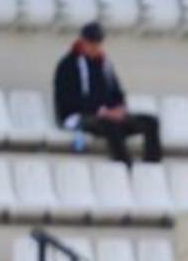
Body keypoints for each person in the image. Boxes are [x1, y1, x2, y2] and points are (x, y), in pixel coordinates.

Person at [52, 22, 162, 164]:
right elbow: (68, 101)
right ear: (82, 41)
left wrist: (120, 108)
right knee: (110, 124)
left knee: (150, 122)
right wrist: (102, 111)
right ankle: (124, 165)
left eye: (98, 42)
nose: (95, 46)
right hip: (78, 116)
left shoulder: (104, 64)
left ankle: (152, 166)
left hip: (106, 116)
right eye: (91, 42)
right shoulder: (68, 65)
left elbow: (116, 92)